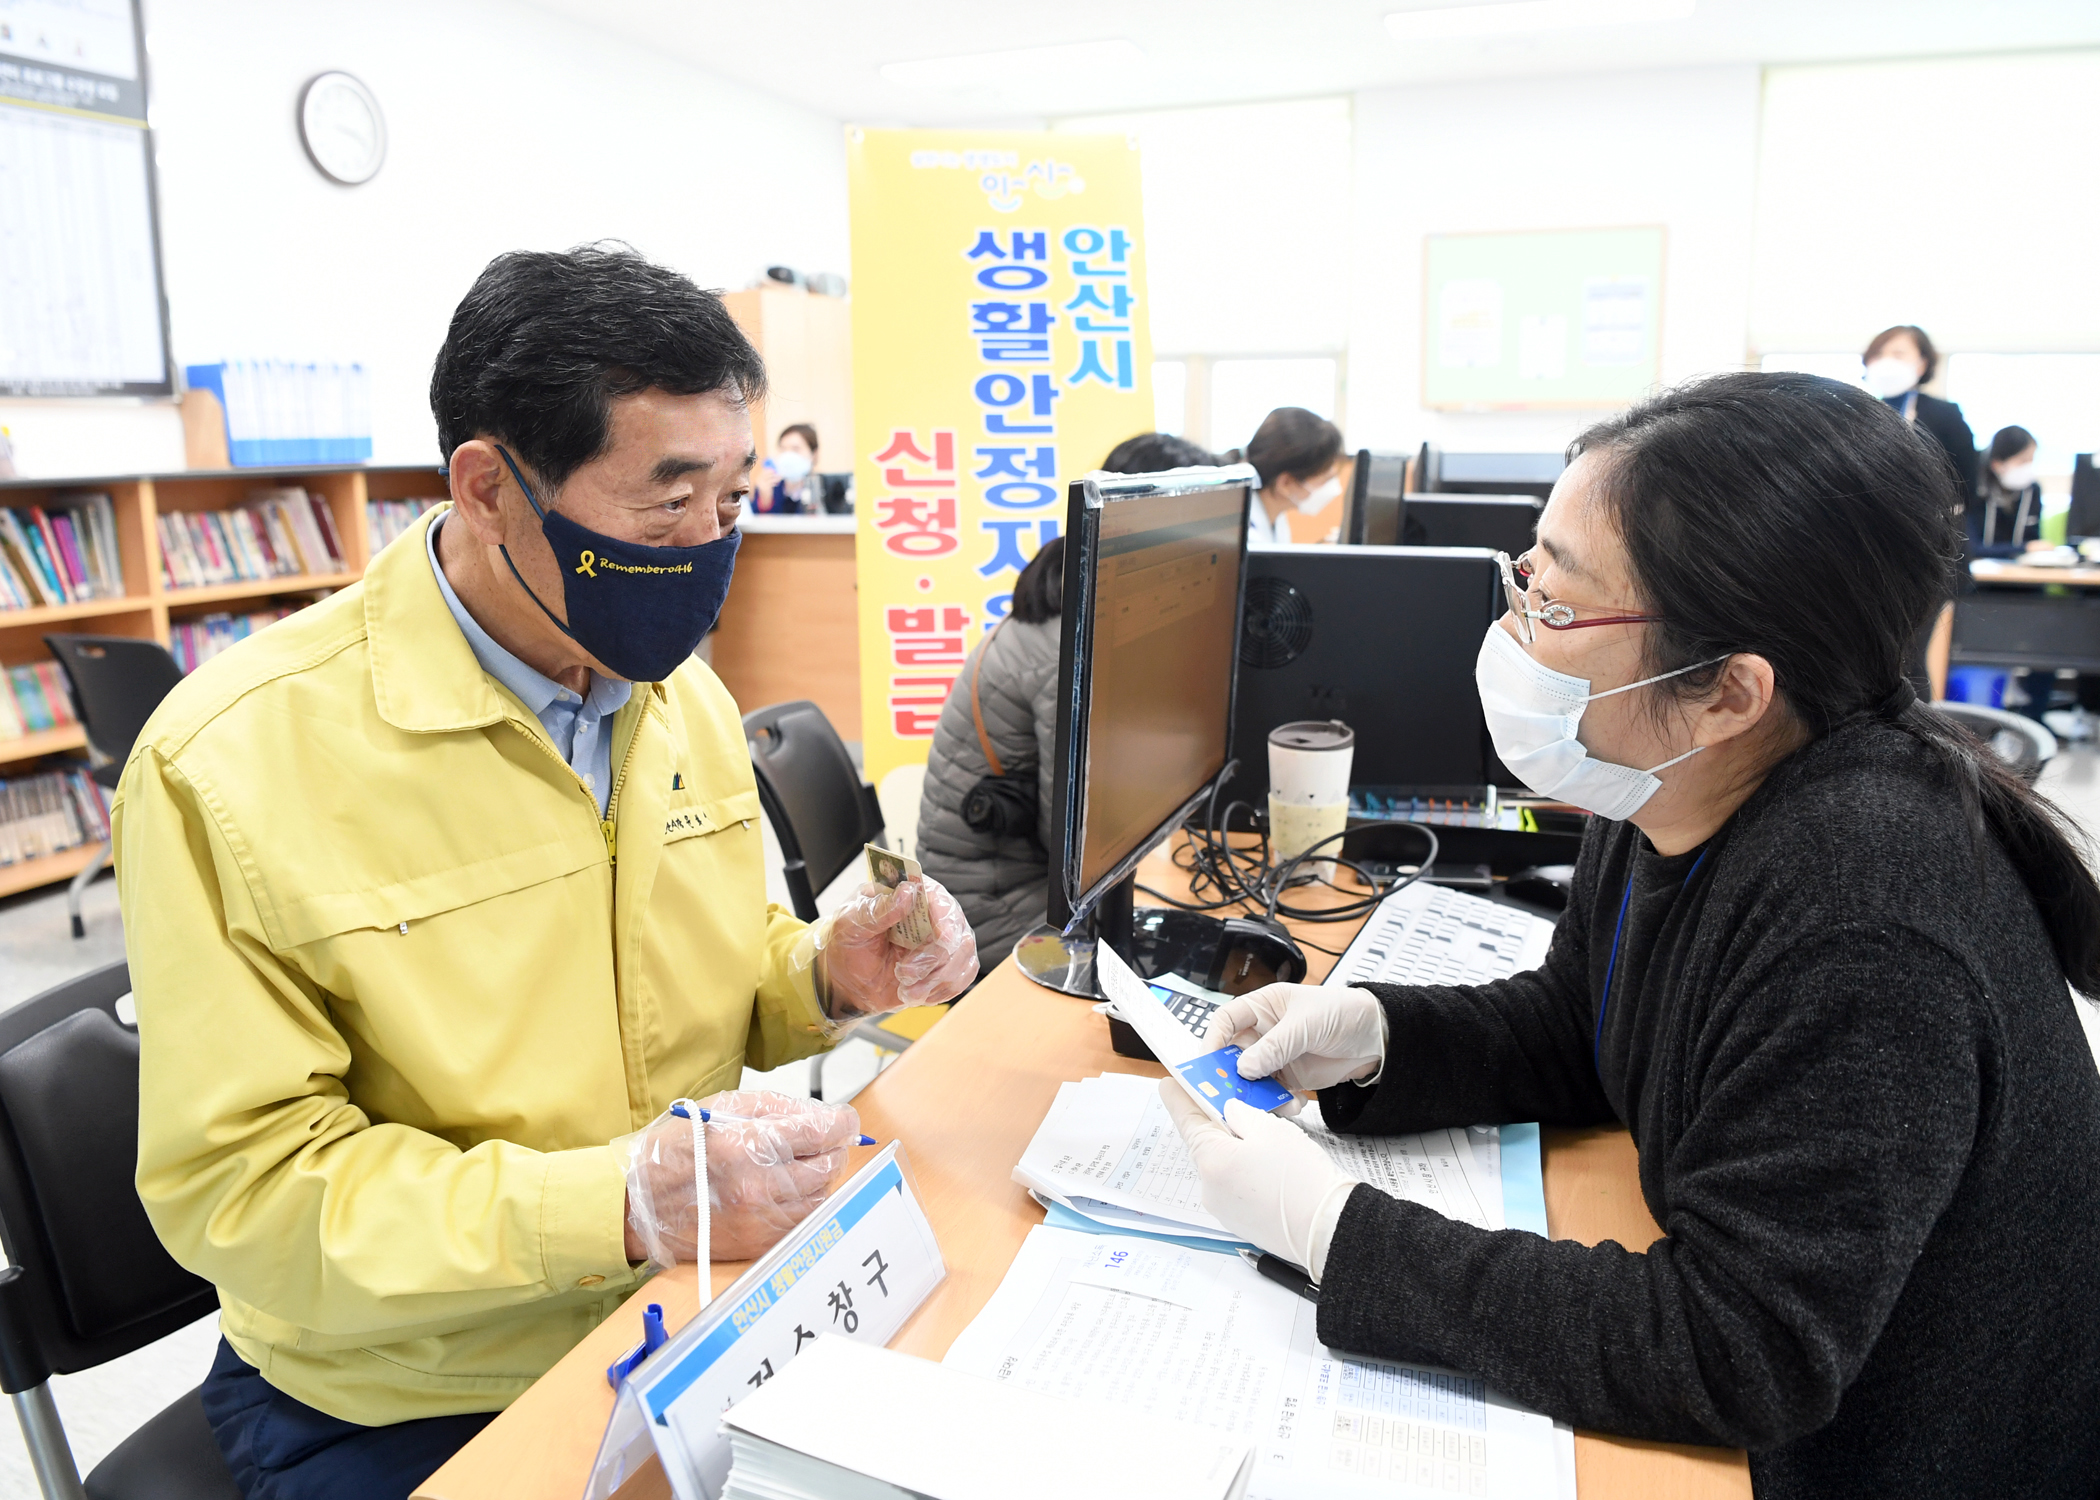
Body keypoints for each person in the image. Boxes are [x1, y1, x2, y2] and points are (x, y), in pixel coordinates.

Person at [114, 245, 979, 1500]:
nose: (705, 546)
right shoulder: (232, 764)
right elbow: (244, 1194)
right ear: (485, 486)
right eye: (665, 504)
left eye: (733, 501)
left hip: (684, 1310)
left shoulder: (677, 701)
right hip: (412, 1387)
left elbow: (719, 981)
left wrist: (825, 975)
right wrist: (620, 1201)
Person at [1160, 372, 2100, 1496]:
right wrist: (1373, 1039)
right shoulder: (1664, 782)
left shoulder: (1869, 924)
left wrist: (1336, 1232)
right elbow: (1589, 1019)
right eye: (1525, 575)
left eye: (1553, 607)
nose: (1514, 627)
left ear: (1727, 693)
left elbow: (1739, 1350)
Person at [915, 432, 1221, 968]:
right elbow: (1078, 849)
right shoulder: (1069, 648)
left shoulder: (1088, 590)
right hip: (984, 911)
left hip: (1028, 881)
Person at [1861, 324, 1979, 498]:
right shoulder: (1862, 412)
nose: (1885, 362)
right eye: (1878, 355)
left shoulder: (1945, 414)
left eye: (1898, 354)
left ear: (1922, 364)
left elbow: (1967, 472)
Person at [1243, 406, 1342, 548]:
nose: (1333, 488)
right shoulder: (1249, 538)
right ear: (1285, 483)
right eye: (1325, 480)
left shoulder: (1277, 518)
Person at [1971, 423, 2045, 556]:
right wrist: (2024, 548)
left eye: (2031, 460)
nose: (2028, 467)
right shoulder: (1976, 491)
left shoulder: (2032, 491)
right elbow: (1973, 548)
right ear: (1997, 464)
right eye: (2023, 461)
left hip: (2023, 572)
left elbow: (2034, 542)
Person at [751, 421, 821, 513]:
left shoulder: (822, 489)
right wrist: (765, 501)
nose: (788, 455)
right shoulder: (770, 487)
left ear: (813, 454)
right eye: (783, 449)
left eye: (796, 449)